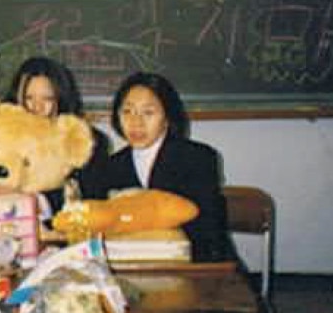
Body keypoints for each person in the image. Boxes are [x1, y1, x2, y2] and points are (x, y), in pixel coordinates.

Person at [94, 71, 233, 262]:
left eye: (148, 112)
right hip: (130, 266)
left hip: (194, 264)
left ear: (167, 118)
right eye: (127, 111)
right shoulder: (110, 166)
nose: (136, 122)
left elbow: (209, 232)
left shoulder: (198, 158)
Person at [3, 56, 111, 211]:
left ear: (61, 99)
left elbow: (92, 197)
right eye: (29, 98)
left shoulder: (87, 141)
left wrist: (39, 202)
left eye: (47, 99)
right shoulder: (3, 137)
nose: (36, 107)